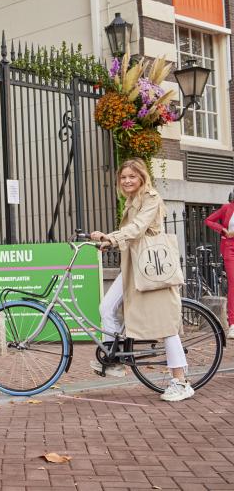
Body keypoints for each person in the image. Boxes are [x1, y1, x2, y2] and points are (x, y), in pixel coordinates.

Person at [89, 158, 193, 402]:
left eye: (131, 177)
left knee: (165, 325)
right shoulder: (131, 200)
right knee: (106, 308)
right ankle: (114, 361)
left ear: (142, 177)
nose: (127, 181)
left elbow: (137, 228)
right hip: (135, 267)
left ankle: (181, 382)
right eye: (123, 177)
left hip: (153, 269)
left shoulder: (151, 198)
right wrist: (109, 242)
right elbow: (132, 234)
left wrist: (112, 237)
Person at [203, 197, 234, 339]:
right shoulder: (227, 208)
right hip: (230, 247)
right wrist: (223, 230)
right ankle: (232, 324)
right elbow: (208, 220)